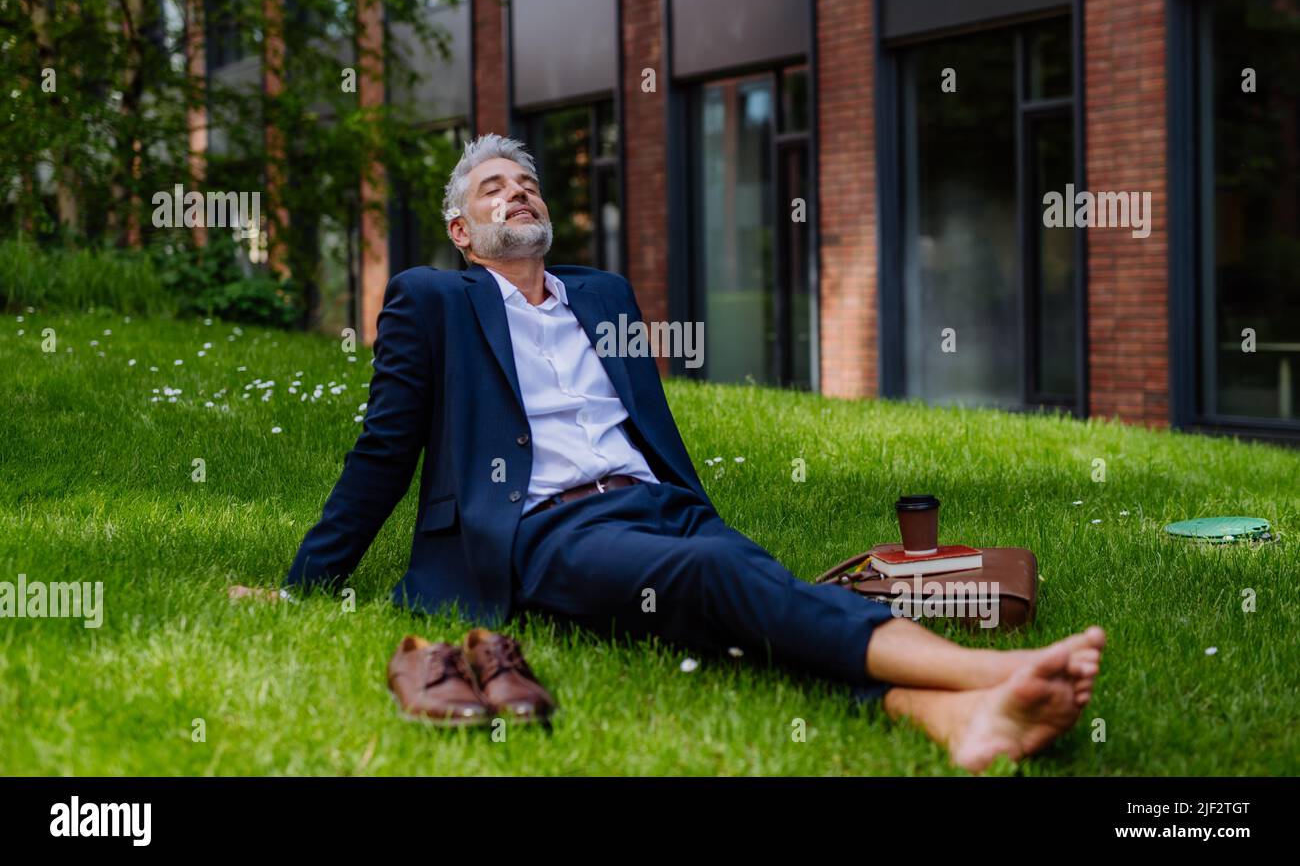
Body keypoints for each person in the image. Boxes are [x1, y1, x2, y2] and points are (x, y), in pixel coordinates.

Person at [276, 134, 1104, 772]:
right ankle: (988, 674)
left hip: (661, 504)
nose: (517, 191)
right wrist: (303, 585)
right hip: (547, 529)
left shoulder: (602, 295)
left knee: (757, 597)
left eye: (525, 182)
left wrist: (691, 508)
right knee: (723, 582)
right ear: (463, 231)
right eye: (494, 188)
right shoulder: (433, 299)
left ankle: (950, 720)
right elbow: (384, 449)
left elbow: (649, 427)